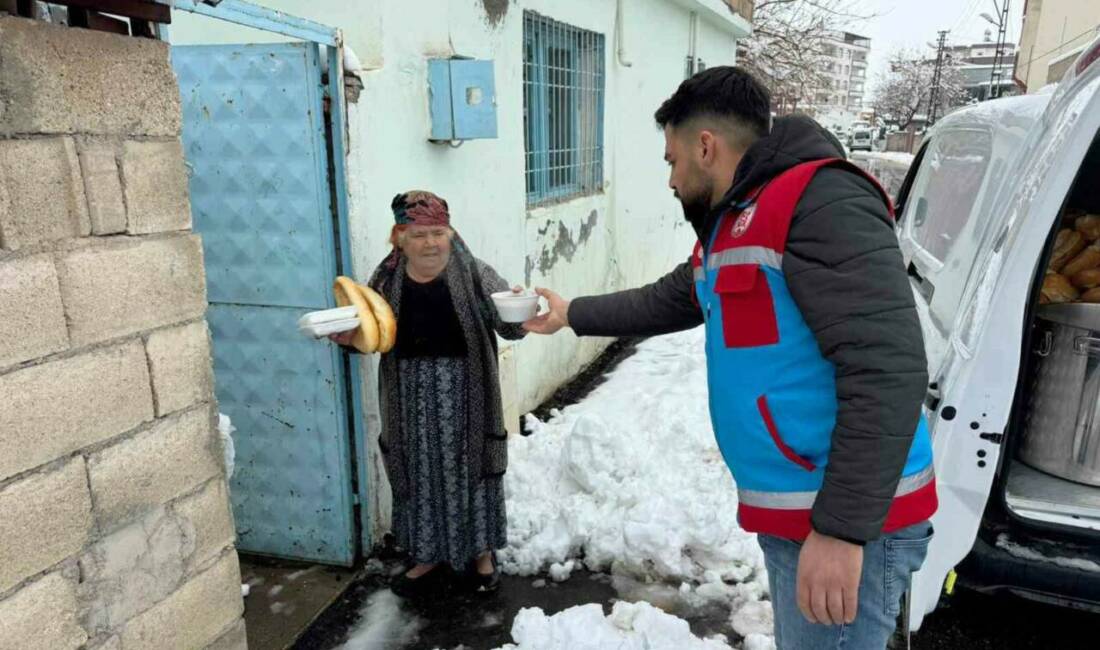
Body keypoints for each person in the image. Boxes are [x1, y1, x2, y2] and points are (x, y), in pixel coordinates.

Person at [523, 67, 938, 649]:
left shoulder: (821, 199)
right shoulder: (736, 220)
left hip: (850, 520)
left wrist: (842, 531)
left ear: (705, 146)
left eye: (671, 160)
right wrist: (572, 313)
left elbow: (887, 367)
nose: (669, 178)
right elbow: (672, 297)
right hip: (803, 515)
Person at [330, 190, 526, 597]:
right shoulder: (384, 281)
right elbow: (367, 336)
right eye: (419, 235)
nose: (431, 243)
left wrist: (520, 309)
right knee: (420, 472)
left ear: (451, 234)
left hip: (468, 393)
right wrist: (346, 337)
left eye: (438, 232)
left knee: (472, 470)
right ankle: (427, 553)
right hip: (409, 395)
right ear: (399, 237)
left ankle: (481, 554)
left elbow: (509, 326)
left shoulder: (475, 274)